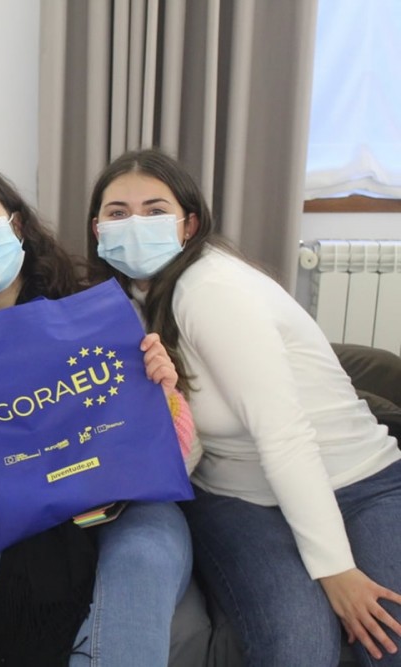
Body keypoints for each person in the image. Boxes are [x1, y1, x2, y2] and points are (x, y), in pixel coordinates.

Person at [86, 147, 401, 666]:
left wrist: (335, 569)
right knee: (299, 649)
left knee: (388, 639)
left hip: (359, 480)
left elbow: (284, 433)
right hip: (237, 498)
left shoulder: (211, 290)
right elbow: (183, 447)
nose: (135, 224)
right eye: (118, 213)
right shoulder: (122, 307)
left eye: (154, 210)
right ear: (98, 229)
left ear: (189, 225)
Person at [0, 159, 201, 665]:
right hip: (15, 523)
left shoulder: (95, 308)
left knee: (139, 568)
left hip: (127, 505)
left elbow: (178, 454)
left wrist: (163, 395)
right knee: (69, 610)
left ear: (16, 223)